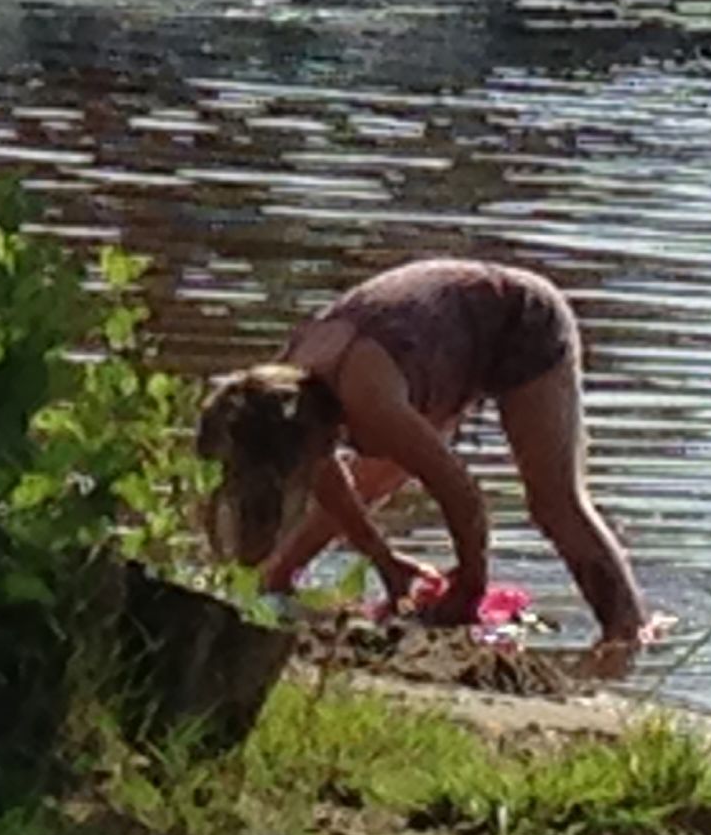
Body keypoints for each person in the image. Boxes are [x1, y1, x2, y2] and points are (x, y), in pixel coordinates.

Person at [197, 257, 648, 646]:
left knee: (555, 504)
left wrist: (470, 589)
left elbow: (462, 497)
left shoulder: (369, 404)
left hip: (519, 319)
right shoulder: (281, 388)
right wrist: (385, 561)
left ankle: (627, 633)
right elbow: (329, 476)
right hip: (429, 341)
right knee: (370, 478)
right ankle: (276, 586)